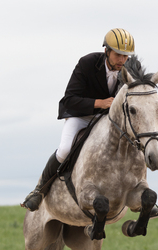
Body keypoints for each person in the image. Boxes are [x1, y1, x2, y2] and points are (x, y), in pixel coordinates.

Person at [21, 28, 135, 212]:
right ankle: (39, 191)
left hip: (106, 121)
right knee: (65, 149)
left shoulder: (128, 70)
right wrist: (100, 103)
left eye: (126, 56)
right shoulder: (87, 63)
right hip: (80, 116)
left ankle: (142, 193)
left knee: (132, 145)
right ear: (107, 51)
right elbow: (70, 99)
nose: (122, 60)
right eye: (118, 55)